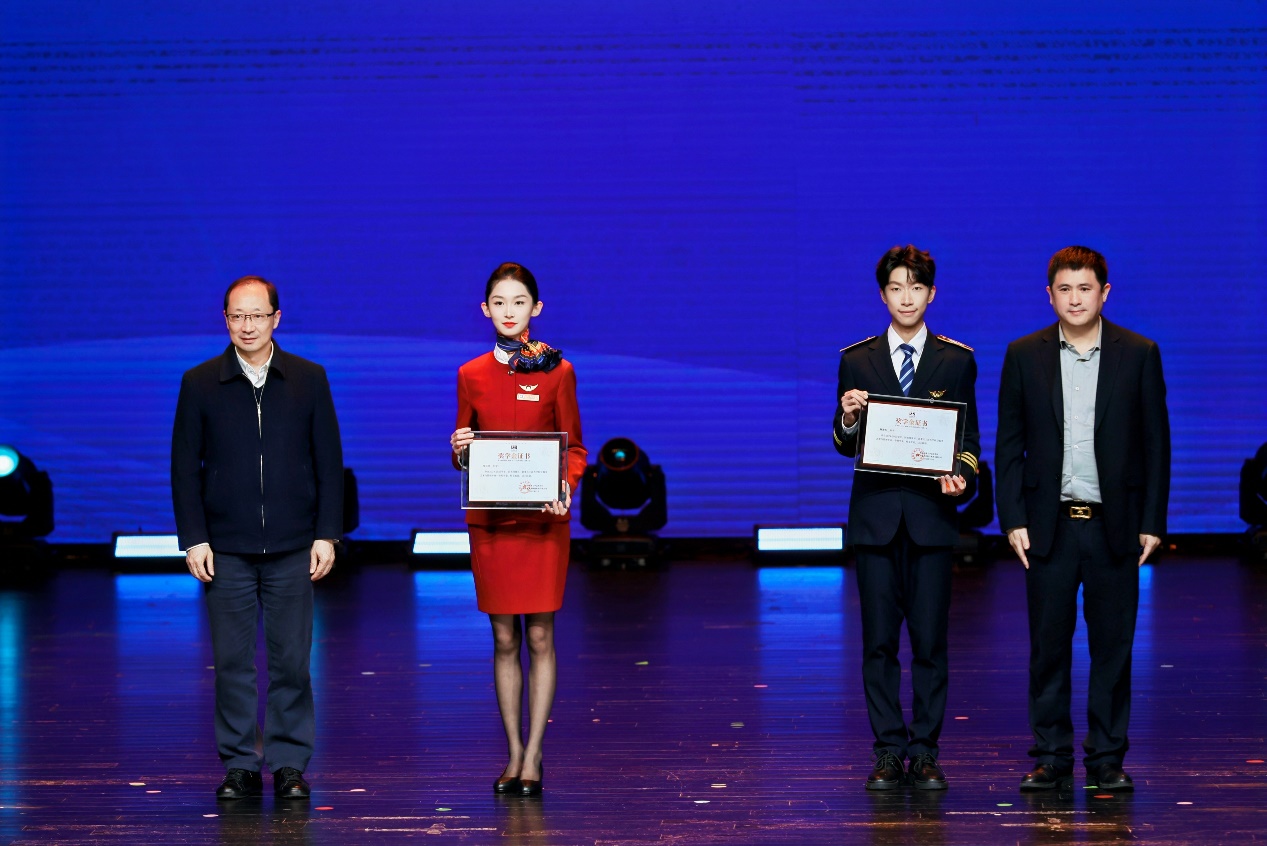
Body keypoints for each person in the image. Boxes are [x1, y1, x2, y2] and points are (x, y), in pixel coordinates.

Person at [995, 246, 1170, 793]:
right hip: (1047, 526)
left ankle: (1107, 758)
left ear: (1105, 293)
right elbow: (1009, 445)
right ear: (1049, 295)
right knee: (1047, 648)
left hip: (1114, 525)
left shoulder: (1138, 353)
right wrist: (1012, 518)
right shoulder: (1024, 354)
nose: (1075, 299)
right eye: (1065, 289)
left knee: (1113, 649)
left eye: (1085, 288)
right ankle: (1050, 756)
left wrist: (1152, 520)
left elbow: (1156, 444)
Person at [171, 275, 344, 800]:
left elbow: (329, 463)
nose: (247, 325)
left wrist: (327, 534)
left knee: (292, 662)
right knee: (232, 663)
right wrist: (194, 538)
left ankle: (289, 763)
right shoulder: (200, 382)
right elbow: (185, 468)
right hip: (225, 548)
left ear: (276, 318)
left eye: (257, 315)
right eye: (237, 316)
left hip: (294, 545)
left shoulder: (309, 378)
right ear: (225, 320)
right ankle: (240, 764)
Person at [832, 245, 980, 791]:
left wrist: (961, 475)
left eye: (916, 288)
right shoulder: (857, 359)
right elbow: (841, 442)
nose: (907, 298)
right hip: (875, 521)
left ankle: (926, 751)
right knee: (878, 643)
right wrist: (849, 418)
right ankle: (888, 751)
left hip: (931, 520)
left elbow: (968, 441)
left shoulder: (956, 360)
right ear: (883, 295)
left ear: (931, 293)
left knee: (930, 643)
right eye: (897, 288)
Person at [449, 262, 586, 797]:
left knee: (540, 633)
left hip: (542, 523)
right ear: (485, 309)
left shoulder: (559, 370)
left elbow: (575, 447)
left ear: (537, 308)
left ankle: (534, 755)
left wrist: (566, 484)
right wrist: (459, 449)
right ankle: (512, 752)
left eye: (519, 302)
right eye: (500, 303)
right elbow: (466, 450)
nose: (509, 312)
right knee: (503, 636)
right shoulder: (470, 373)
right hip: (491, 524)